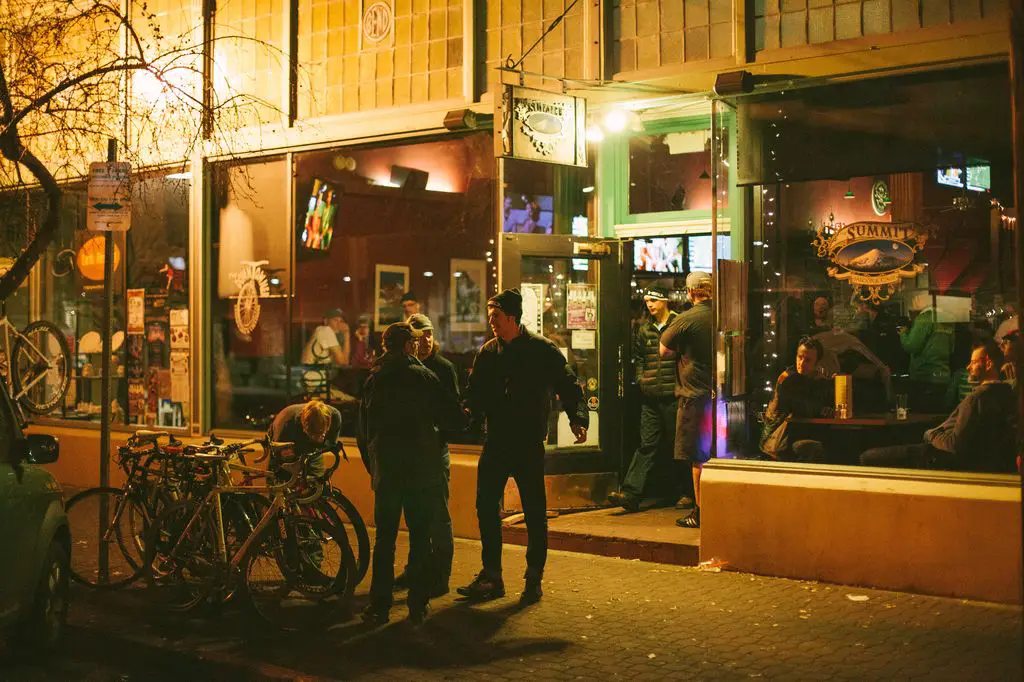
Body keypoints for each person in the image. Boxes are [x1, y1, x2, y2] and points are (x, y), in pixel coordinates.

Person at [459, 288, 588, 605]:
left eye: (496, 317)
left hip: (528, 443)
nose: (491, 322)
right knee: (486, 506)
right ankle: (492, 576)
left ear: (512, 318)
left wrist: (578, 418)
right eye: (490, 316)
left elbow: (568, 385)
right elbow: (475, 393)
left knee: (534, 514)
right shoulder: (489, 352)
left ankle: (533, 579)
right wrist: (467, 414)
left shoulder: (543, 351)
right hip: (496, 441)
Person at [357, 322, 463, 626]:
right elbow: (452, 417)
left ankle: (379, 606)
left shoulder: (374, 379)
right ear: (407, 346)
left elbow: (364, 433)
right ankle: (417, 604)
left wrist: (374, 468)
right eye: (413, 343)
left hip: (388, 474)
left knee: (385, 540)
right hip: (420, 473)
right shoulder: (424, 377)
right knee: (419, 539)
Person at [860, 340, 1017, 473]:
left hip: (939, 458)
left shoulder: (977, 398)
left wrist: (931, 435)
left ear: (988, 363)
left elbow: (954, 444)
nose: (968, 367)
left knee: (867, 457)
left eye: (974, 362)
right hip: (966, 461)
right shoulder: (1007, 394)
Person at [392, 313, 458, 596]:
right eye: (419, 337)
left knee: (438, 516)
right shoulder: (405, 368)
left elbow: (453, 412)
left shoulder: (443, 368)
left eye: (429, 334)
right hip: (412, 453)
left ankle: (440, 576)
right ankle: (416, 569)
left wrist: (437, 433)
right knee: (416, 516)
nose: (426, 341)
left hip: (434, 450)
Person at [608, 286, 679, 513]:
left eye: (654, 300)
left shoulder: (678, 324)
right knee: (647, 444)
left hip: (673, 395)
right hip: (650, 395)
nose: (649, 305)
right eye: (647, 300)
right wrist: (641, 379)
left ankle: (686, 492)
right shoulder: (644, 328)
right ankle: (631, 493)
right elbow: (639, 357)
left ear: (665, 301)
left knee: (678, 446)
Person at [660, 271, 714, 529]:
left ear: (691, 292)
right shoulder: (724, 315)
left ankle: (701, 512)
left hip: (694, 397)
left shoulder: (686, 319)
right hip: (723, 395)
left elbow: (664, 349)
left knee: (698, 457)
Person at [760, 337, 831, 463]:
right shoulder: (788, 379)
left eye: (808, 360)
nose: (802, 363)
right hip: (779, 438)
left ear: (817, 363)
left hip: (800, 433)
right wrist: (820, 408)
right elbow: (800, 407)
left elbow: (822, 403)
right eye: (800, 357)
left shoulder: (817, 380)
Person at [899, 292, 953, 412]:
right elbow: (951, 348)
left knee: (921, 416)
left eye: (916, 297)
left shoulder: (924, 318)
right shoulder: (947, 318)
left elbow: (911, 346)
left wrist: (903, 333)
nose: (914, 301)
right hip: (943, 375)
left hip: (924, 376)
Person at [266, 398, 342, 481]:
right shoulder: (286, 423)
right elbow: (277, 452)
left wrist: (322, 443)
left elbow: (331, 444)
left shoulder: (335, 417)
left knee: (317, 482)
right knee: (279, 479)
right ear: (303, 425)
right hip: (287, 441)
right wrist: (288, 455)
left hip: (314, 449)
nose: (314, 437)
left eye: (319, 434)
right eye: (311, 434)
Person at [300, 308, 353, 401]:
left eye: (340, 321)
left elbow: (344, 362)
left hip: (315, 381)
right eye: (335, 320)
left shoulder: (321, 331)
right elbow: (343, 362)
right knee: (351, 400)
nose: (338, 324)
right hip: (315, 384)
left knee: (346, 391)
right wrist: (346, 334)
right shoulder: (325, 331)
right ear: (325, 321)